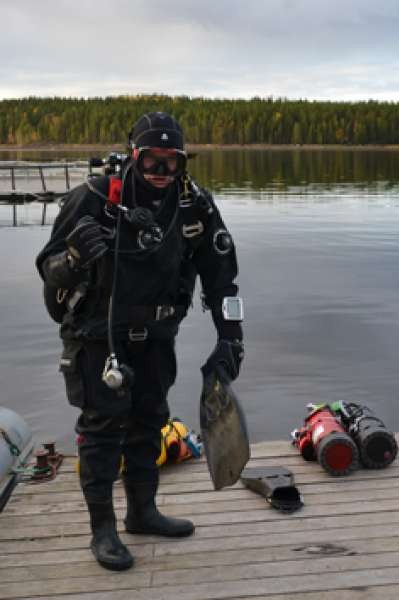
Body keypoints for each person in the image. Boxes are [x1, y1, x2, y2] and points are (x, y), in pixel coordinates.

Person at [36, 112, 244, 571]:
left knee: (150, 420)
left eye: (171, 163)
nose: (160, 172)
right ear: (134, 156)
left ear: (183, 163)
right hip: (98, 334)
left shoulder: (195, 207)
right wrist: (73, 256)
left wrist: (232, 338)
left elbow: (222, 278)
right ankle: (103, 530)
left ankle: (143, 513)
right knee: (103, 427)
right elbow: (47, 269)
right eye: (152, 160)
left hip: (157, 334)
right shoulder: (91, 199)